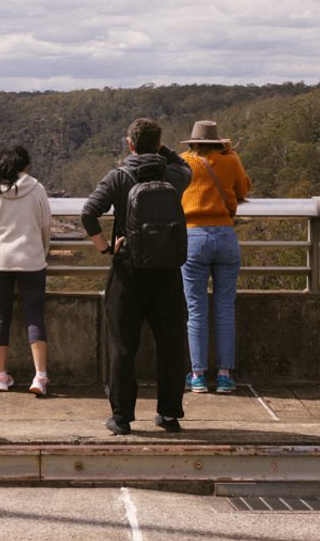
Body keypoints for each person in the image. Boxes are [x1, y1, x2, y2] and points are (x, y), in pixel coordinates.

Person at [81, 116, 192, 435]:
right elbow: (186, 165)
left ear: (130, 144)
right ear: (159, 144)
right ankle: (169, 414)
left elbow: (89, 212)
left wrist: (106, 250)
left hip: (128, 271)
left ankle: (121, 418)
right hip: (168, 271)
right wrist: (162, 149)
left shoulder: (118, 177)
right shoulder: (175, 175)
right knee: (171, 344)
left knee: (123, 346)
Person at [178, 119, 250, 395]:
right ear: (218, 141)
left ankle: (197, 375)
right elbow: (243, 189)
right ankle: (224, 375)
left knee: (196, 309)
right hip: (224, 235)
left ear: (193, 142)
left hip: (193, 237)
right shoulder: (230, 160)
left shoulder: (184, 162)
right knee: (224, 308)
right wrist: (229, 152)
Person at [0, 144, 54, 397]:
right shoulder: (37, 188)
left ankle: (0, 377)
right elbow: (46, 225)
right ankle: (40, 376)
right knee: (35, 317)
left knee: (1, 317)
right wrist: (40, 251)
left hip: (0, 261)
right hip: (31, 260)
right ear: (26, 165)